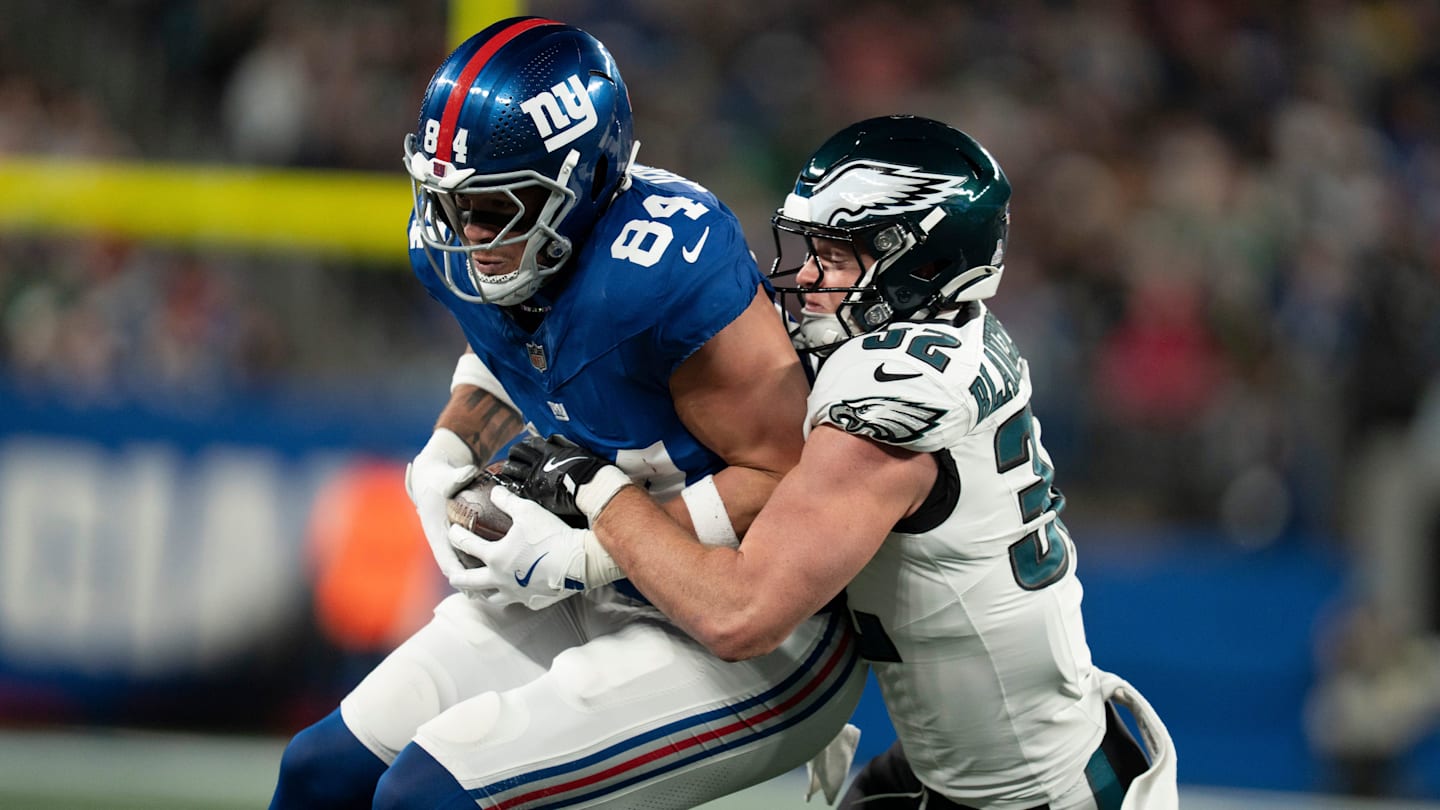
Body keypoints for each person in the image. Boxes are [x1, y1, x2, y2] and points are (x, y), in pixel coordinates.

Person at [464, 116, 1179, 809]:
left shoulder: (889, 402)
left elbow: (740, 611)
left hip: (1031, 793)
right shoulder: (934, 336)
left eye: (834, 256)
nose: (803, 277)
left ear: (920, 265)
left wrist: (599, 494)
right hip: (974, 763)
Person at [269, 17, 866, 809]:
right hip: (591, 581)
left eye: (497, 205)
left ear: (582, 183)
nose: (468, 233)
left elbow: (791, 474)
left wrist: (595, 552)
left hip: (751, 623)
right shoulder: (472, 247)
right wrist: (450, 449)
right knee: (321, 774)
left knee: (428, 799)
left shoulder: (665, 271)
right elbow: (518, 351)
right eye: (453, 202)